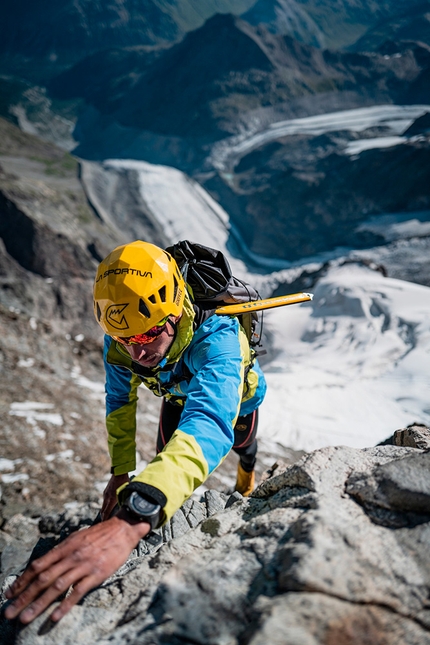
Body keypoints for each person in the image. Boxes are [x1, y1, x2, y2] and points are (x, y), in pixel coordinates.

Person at [4, 240, 266, 624]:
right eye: (127, 341)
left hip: (239, 399)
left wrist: (134, 516)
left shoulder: (220, 340)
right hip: (178, 395)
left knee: (244, 443)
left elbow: (210, 421)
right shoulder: (124, 332)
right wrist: (122, 471)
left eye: (146, 337)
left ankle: (248, 473)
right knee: (166, 457)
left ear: (174, 312)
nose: (136, 354)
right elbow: (119, 400)